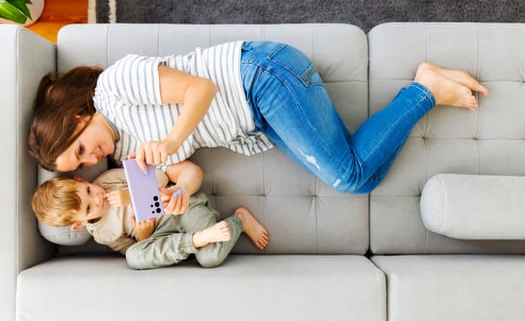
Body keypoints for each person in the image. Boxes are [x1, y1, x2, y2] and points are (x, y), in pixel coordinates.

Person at [27, 41, 489, 202]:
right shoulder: (130, 158)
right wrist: (174, 196)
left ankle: (424, 89)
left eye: (81, 147)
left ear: (78, 117)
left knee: (349, 177)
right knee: (360, 175)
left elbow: (200, 90)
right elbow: (188, 174)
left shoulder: (114, 86)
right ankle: (426, 87)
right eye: (84, 165)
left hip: (260, 77)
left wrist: (169, 141)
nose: (93, 158)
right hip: (260, 119)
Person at [31, 167, 270, 270]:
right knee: (134, 259)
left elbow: (161, 178)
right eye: (89, 208)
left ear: (82, 181)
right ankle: (196, 241)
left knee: (212, 256)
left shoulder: (106, 181)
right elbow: (134, 249)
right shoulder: (101, 233)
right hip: (163, 237)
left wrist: (129, 196)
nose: (98, 199)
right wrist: (144, 234)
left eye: (89, 192)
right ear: (79, 223)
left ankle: (239, 220)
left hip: (178, 210)